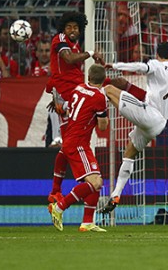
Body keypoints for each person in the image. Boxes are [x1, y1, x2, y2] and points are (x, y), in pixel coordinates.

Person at [45, 11, 145, 203]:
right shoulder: (60, 40)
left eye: (76, 27)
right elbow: (68, 59)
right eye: (69, 27)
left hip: (77, 89)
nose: (72, 30)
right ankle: (56, 191)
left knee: (118, 82)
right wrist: (91, 53)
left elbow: (59, 71)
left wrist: (52, 91)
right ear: (63, 29)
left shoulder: (72, 44)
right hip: (70, 95)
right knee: (68, 146)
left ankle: (146, 100)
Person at [100, 41, 168, 213]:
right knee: (129, 154)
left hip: (148, 114)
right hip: (158, 125)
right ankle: (116, 194)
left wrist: (114, 65)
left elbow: (140, 67)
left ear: (157, 55)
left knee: (109, 89)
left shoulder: (156, 65)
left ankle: (94, 113)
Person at [48, 64, 109, 232]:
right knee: (95, 182)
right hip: (78, 143)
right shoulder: (99, 97)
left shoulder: (79, 88)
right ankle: (59, 207)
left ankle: (87, 222)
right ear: (103, 80)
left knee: (97, 180)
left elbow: (71, 109)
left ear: (88, 77)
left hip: (73, 140)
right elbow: (103, 127)